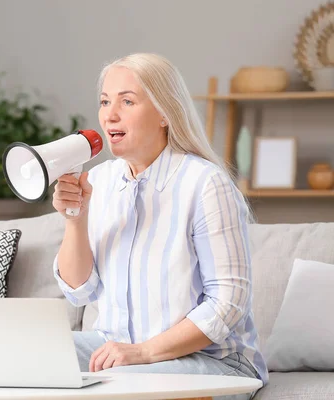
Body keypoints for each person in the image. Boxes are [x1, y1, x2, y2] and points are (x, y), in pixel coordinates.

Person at [51, 53, 268, 400]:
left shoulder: (205, 184)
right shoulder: (100, 181)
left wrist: (142, 353)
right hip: (117, 350)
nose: (110, 114)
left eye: (127, 101)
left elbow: (228, 304)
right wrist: (75, 220)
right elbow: (79, 291)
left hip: (215, 361)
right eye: (105, 101)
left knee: (123, 386)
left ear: (165, 113)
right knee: (30, 358)